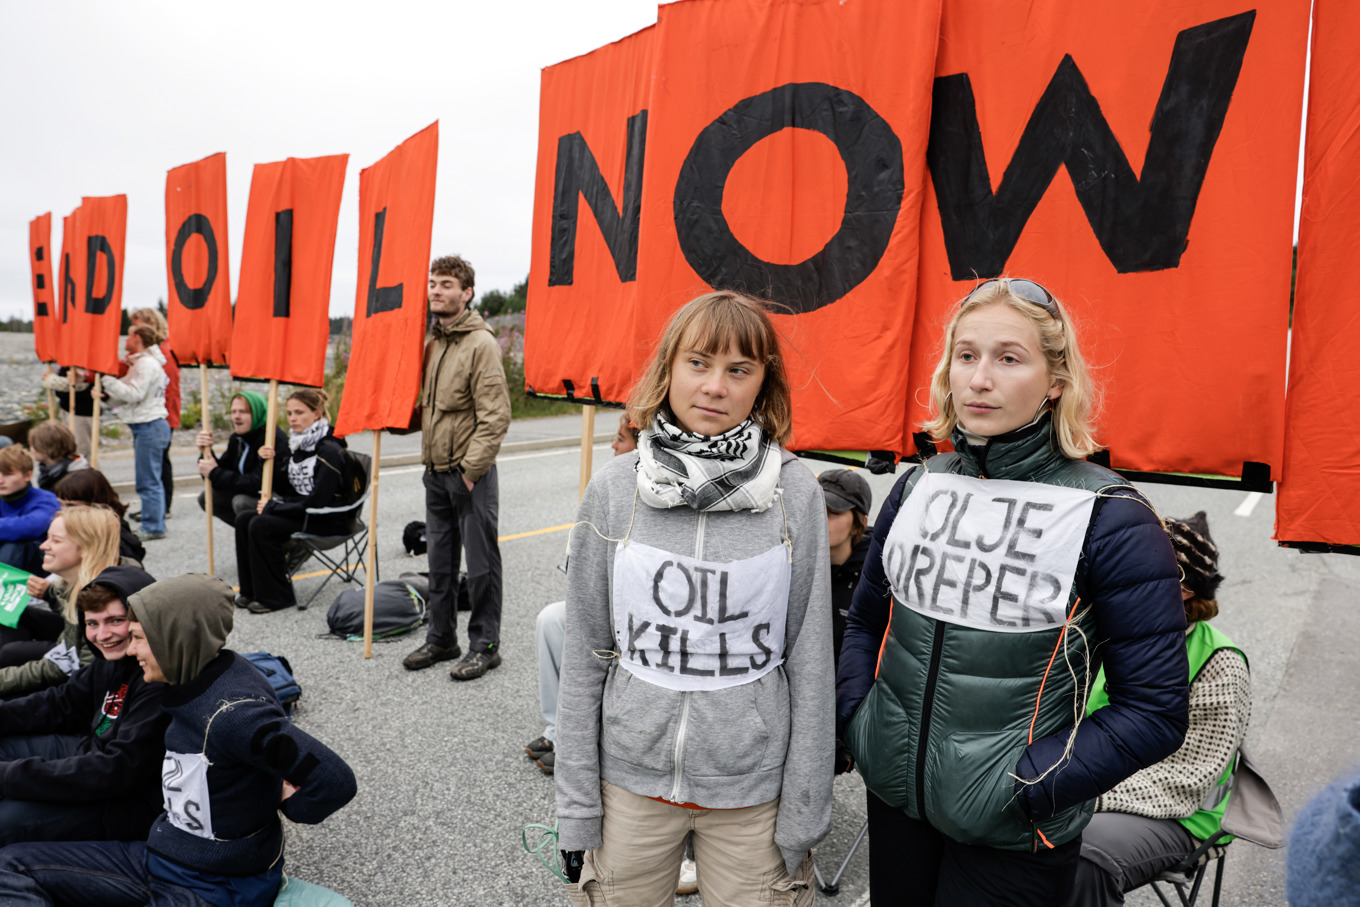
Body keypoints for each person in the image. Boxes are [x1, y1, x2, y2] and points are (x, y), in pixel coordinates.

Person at [837, 277, 1189, 906]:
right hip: (895, 798)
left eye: (1008, 358)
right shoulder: (919, 486)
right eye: (966, 355)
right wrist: (861, 725)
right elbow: (867, 624)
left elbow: (1153, 710)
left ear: (1055, 381)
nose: (978, 378)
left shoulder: (1113, 516)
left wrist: (1027, 785)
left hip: (1013, 831)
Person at [555, 291, 833, 905]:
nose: (715, 386)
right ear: (669, 369)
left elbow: (811, 662)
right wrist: (577, 807)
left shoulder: (795, 492)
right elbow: (585, 656)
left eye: (739, 370)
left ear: (763, 384)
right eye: (699, 363)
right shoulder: (612, 489)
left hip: (751, 797)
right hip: (629, 786)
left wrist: (805, 811)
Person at [0, 572, 359, 906]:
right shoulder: (186, 679)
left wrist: (284, 803)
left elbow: (335, 781)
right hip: (161, 858)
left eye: (138, 638)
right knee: (10, 864)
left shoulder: (234, 713)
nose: (129, 649)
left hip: (211, 887)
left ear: (173, 637)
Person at [1063, 512, 1250, 906]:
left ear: (1186, 591)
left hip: (1177, 815)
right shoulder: (1092, 631)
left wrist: (1081, 794)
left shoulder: (1220, 661)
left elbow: (1189, 778)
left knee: (1081, 857)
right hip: (1080, 790)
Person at [0, 565, 166, 846]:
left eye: (115, 620)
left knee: (5, 822)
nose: (102, 635)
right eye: (92, 623)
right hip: (90, 753)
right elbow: (58, 703)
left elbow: (114, 771)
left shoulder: (158, 677)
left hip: (127, 802)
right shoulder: (111, 661)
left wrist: (10, 776)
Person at [403, 255, 512, 681]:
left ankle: (484, 646)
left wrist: (470, 471)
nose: (436, 291)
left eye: (446, 284)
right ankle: (440, 638)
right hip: (435, 472)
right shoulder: (434, 343)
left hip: (470, 476)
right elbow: (429, 411)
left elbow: (495, 416)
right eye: (433, 283)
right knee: (441, 563)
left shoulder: (479, 344)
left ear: (467, 293)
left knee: (482, 566)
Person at [525, 415, 641, 776]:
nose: (613, 446)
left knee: (585, 631)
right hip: (602, 604)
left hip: (634, 615)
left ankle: (587, 741)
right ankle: (558, 730)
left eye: (620, 439)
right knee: (551, 620)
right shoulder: (610, 488)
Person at [236, 388, 348, 614]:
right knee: (244, 519)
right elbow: (289, 488)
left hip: (328, 518)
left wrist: (275, 508)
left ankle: (277, 596)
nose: (293, 419)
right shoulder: (298, 444)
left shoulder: (329, 448)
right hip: (305, 512)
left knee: (261, 524)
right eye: (289, 413)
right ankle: (251, 591)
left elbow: (318, 500)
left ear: (316, 414)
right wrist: (266, 460)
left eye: (299, 412)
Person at [0, 505, 121, 699]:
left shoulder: (97, 599)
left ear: (85, 547)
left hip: (84, 703)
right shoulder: (75, 587)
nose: (43, 546)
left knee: (11, 657)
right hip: (73, 685)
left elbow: (69, 671)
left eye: (55, 540)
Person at [101, 324, 170, 542]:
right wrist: (106, 399)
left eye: (129, 335)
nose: (126, 339)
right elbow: (131, 394)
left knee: (148, 480)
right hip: (148, 424)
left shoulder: (146, 364)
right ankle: (153, 522)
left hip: (150, 424)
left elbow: (135, 394)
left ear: (138, 337)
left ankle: (153, 526)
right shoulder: (144, 362)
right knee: (150, 478)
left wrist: (105, 379)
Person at [127, 308, 180, 521]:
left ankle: (160, 509)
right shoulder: (158, 352)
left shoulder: (162, 353)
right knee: (155, 463)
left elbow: (168, 388)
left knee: (157, 463)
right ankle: (156, 509)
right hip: (159, 413)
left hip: (160, 414)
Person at [196, 390, 268, 528]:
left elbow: (254, 483)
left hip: (272, 498)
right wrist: (206, 453)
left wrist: (214, 472)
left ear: (257, 413)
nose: (236, 417)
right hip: (249, 493)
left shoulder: (270, 439)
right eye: (233, 412)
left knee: (241, 502)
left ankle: (282, 545)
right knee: (207, 498)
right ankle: (246, 534)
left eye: (243, 412)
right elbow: (220, 475)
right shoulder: (238, 439)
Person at [51, 469, 146, 568]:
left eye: (71, 505)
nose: (63, 511)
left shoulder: (116, 537)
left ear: (96, 504)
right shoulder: (77, 527)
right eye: (61, 504)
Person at [0, 446, 60, 575]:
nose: (0, 480)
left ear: (28, 475)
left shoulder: (46, 499)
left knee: (17, 544)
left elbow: (33, 526)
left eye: (8, 474)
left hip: (40, 565)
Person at [39, 367, 94, 458]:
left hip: (81, 412)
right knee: (68, 448)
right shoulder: (67, 362)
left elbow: (76, 384)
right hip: (66, 409)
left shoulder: (83, 361)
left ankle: (86, 471)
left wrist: (51, 379)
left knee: (81, 451)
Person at [26, 422, 89, 493]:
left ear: (46, 449)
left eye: (34, 445)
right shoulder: (49, 471)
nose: (31, 449)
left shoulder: (77, 480)